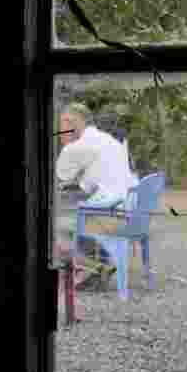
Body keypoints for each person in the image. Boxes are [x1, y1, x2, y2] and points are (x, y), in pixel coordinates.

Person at [55, 103, 138, 282]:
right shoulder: (106, 139)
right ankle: (96, 263)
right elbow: (91, 181)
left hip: (110, 215)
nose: (58, 129)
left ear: (70, 123)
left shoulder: (76, 146)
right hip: (128, 211)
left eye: (61, 124)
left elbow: (59, 178)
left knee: (53, 224)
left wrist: (66, 143)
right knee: (78, 209)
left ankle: (91, 267)